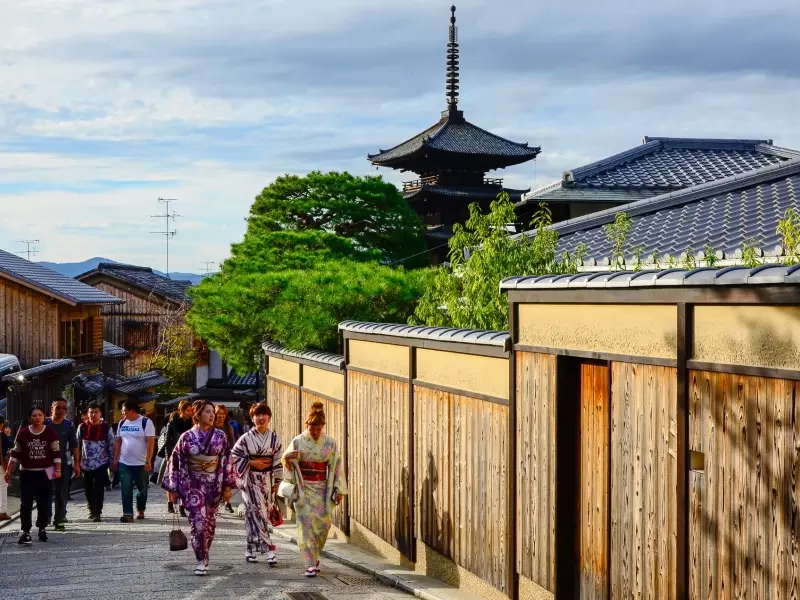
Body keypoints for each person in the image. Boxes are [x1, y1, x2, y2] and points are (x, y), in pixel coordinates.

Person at [162, 400, 236, 576]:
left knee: (210, 524)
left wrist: (227, 486)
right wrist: (173, 487)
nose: (212, 415)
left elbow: (226, 460)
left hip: (213, 485)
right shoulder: (186, 437)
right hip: (193, 485)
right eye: (207, 412)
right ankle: (201, 559)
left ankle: (205, 552)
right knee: (198, 522)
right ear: (197, 415)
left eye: (213, 412)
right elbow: (176, 461)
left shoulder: (220, 436)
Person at [282, 402, 347, 577]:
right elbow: (285, 462)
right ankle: (309, 563)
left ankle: (314, 554)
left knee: (323, 526)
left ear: (323, 427)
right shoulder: (297, 441)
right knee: (305, 526)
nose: (315, 431)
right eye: (312, 428)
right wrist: (287, 458)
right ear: (307, 425)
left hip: (322, 489)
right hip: (304, 488)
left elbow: (337, 466)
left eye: (318, 428)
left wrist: (338, 489)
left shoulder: (330, 443)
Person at [231, 402, 283, 565]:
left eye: (263, 414)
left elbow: (277, 462)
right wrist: (251, 463)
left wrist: (277, 482)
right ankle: (269, 550)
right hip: (250, 480)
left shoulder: (275, 438)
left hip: (267, 480)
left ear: (269, 417)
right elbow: (234, 456)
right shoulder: (245, 438)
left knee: (259, 514)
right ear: (252, 418)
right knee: (257, 512)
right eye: (257, 415)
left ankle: (250, 548)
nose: (260, 418)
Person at [4, 406, 61, 544]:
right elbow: (15, 454)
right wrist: (8, 471)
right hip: (27, 473)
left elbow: (56, 453)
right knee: (26, 503)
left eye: (40, 415)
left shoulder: (50, 433)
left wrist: (58, 470)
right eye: (34, 415)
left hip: (45, 473)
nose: (37, 418)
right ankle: (26, 531)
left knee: (43, 502)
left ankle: (42, 528)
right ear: (30, 418)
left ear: (44, 416)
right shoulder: (23, 433)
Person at [112, 400, 155, 522]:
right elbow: (118, 442)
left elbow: (151, 443)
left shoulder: (145, 422)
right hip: (124, 462)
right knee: (125, 488)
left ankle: (140, 509)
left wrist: (148, 461)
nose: (122, 413)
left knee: (142, 489)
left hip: (141, 463)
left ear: (132, 411)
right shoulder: (122, 423)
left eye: (124, 411)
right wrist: (115, 459)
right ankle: (128, 514)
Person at [46, 398, 80, 531]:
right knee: (46, 490)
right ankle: (46, 516)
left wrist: (77, 464)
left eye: (63, 408)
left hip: (64, 463)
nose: (61, 410)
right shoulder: (45, 423)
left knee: (61, 492)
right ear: (52, 408)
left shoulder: (68, 425)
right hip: (46, 463)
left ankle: (59, 519)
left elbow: (75, 446)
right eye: (58, 407)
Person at [77, 402, 115, 522]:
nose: (93, 414)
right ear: (87, 414)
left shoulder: (106, 428)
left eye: (96, 412)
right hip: (86, 463)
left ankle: (97, 511)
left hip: (101, 463)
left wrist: (111, 461)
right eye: (91, 412)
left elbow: (111, 445)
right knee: (88, 488)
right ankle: (91, 508)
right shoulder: (82, 427)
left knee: (99, 488)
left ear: (100, 413)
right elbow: (77, 445)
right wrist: (76, 462)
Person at [159, 399, 194, 516]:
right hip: (173, 453)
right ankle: (170, 503)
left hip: (186, 455)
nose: (190, 413)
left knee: (185, 482)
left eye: (191, 410)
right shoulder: (172, 422)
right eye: (188, 410)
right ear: (181, 410)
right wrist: (169, 457)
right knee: (171, 480)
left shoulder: (192, 423)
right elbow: (168, 441)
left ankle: (182, 506)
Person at [214, 405, 236, 513]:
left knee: (227, 482)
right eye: (219, 413)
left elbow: (232, 443)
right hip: (213, 458)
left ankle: (228, 503)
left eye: (223, 413)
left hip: (226, 457)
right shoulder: (211, 426)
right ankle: (216, 504)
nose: (221, 416)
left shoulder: (228, 427)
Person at [0, 415, 14, 520]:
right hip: (1, 465)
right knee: (2, 487)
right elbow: (11, 444)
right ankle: (2, 511)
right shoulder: (2, 435)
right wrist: (8, 435)